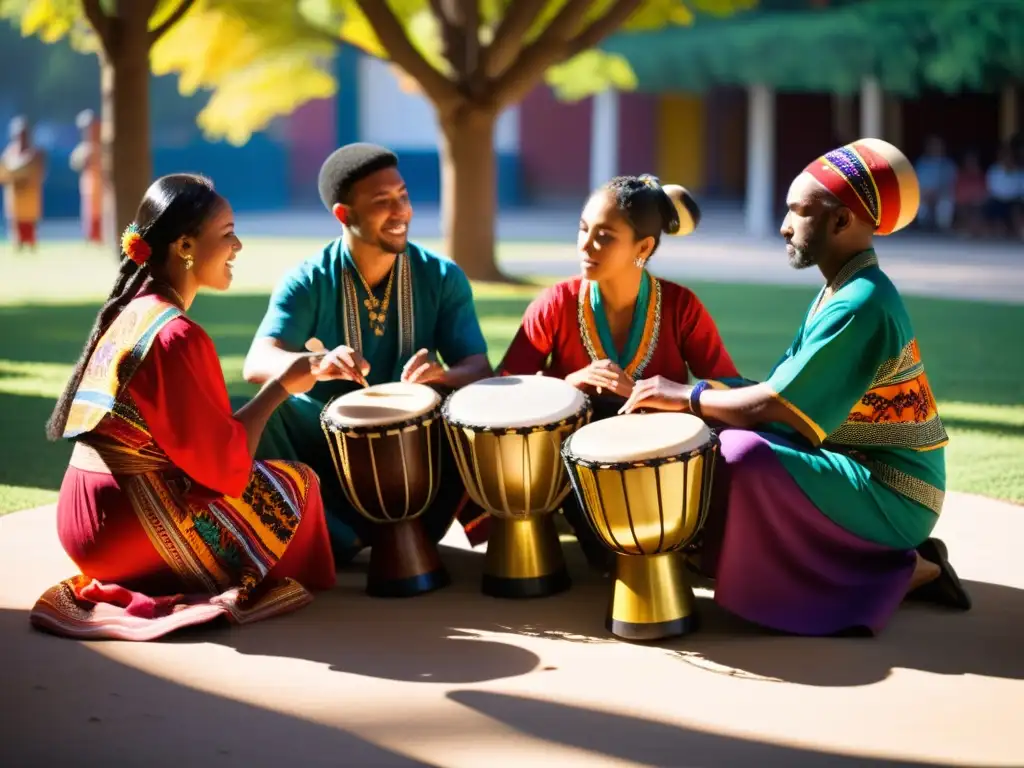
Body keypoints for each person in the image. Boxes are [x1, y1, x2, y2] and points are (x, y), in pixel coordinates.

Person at [620, 138, 970, 637]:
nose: (784, 226)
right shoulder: (841, 288)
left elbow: (777, 406)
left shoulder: (861, 304)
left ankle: (891, 569)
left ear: (841, 221)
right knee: (721, 426)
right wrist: (706, 394)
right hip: (854, 468)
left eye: (797, 211)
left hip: (894, 493)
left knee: (741, 453)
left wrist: (689, 396)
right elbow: (776, 391)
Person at [30, 174, 337, 642]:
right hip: (125, 530)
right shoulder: (176, 336)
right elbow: (225, 470)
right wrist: (280, 388)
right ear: (185, 245)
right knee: (298, 484)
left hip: (81, 517)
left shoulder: (131, 311)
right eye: (227, 232)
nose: (238, 245)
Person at [242, 143, 493, 564]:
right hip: (321, 442)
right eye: (382, 202)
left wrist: (442, 376)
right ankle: (327, 537)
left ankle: (413, 531)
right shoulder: (306, 279)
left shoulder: (442, 276)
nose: (400, 212)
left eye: (403, 196)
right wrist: (315, 365)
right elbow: (257, 361)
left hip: (415, 452)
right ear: (344, 215)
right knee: (267, 407)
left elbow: (478, 366)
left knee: (466, 403)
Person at [499, 174, 740, 569]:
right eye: (582, 229)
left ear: (643, 247)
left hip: (661, 462)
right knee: (609, 557)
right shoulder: (555, 304)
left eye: (605, 236)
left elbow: (728, 387)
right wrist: (567, 385)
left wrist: (657, 394)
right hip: (578, 466)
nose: (585, 245)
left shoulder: (681, 306)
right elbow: (503, 387)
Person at [0, 116, 46, 251]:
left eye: (23, 134)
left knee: (30, 233)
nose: (21, 137)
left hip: (30, 203)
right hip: (15, 204)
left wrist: (14, 169)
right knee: (16, 235)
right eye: (18, 134)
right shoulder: (9, 152)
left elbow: (32, 168)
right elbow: (4, 173)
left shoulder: (35, 153)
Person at [69, 109, 103, 245]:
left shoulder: (104, 146)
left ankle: (103, 237)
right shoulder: (83, 149)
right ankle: (91, 238)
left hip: (104, 188)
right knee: (90, 213)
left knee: (103, 213)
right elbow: (74, 163)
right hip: (89, 187)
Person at [914, 135, 957, 232]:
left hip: (942, 194)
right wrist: (926, 193)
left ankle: (943, 231)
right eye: (932, 145)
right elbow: (917, 183)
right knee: (921, 204)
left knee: (945, 203)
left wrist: (938, 193)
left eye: (937, 145)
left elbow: (950, 183)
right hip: (925, 194)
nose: (935, 148)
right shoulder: (922, 163)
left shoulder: (948, 164)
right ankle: (923, 230)